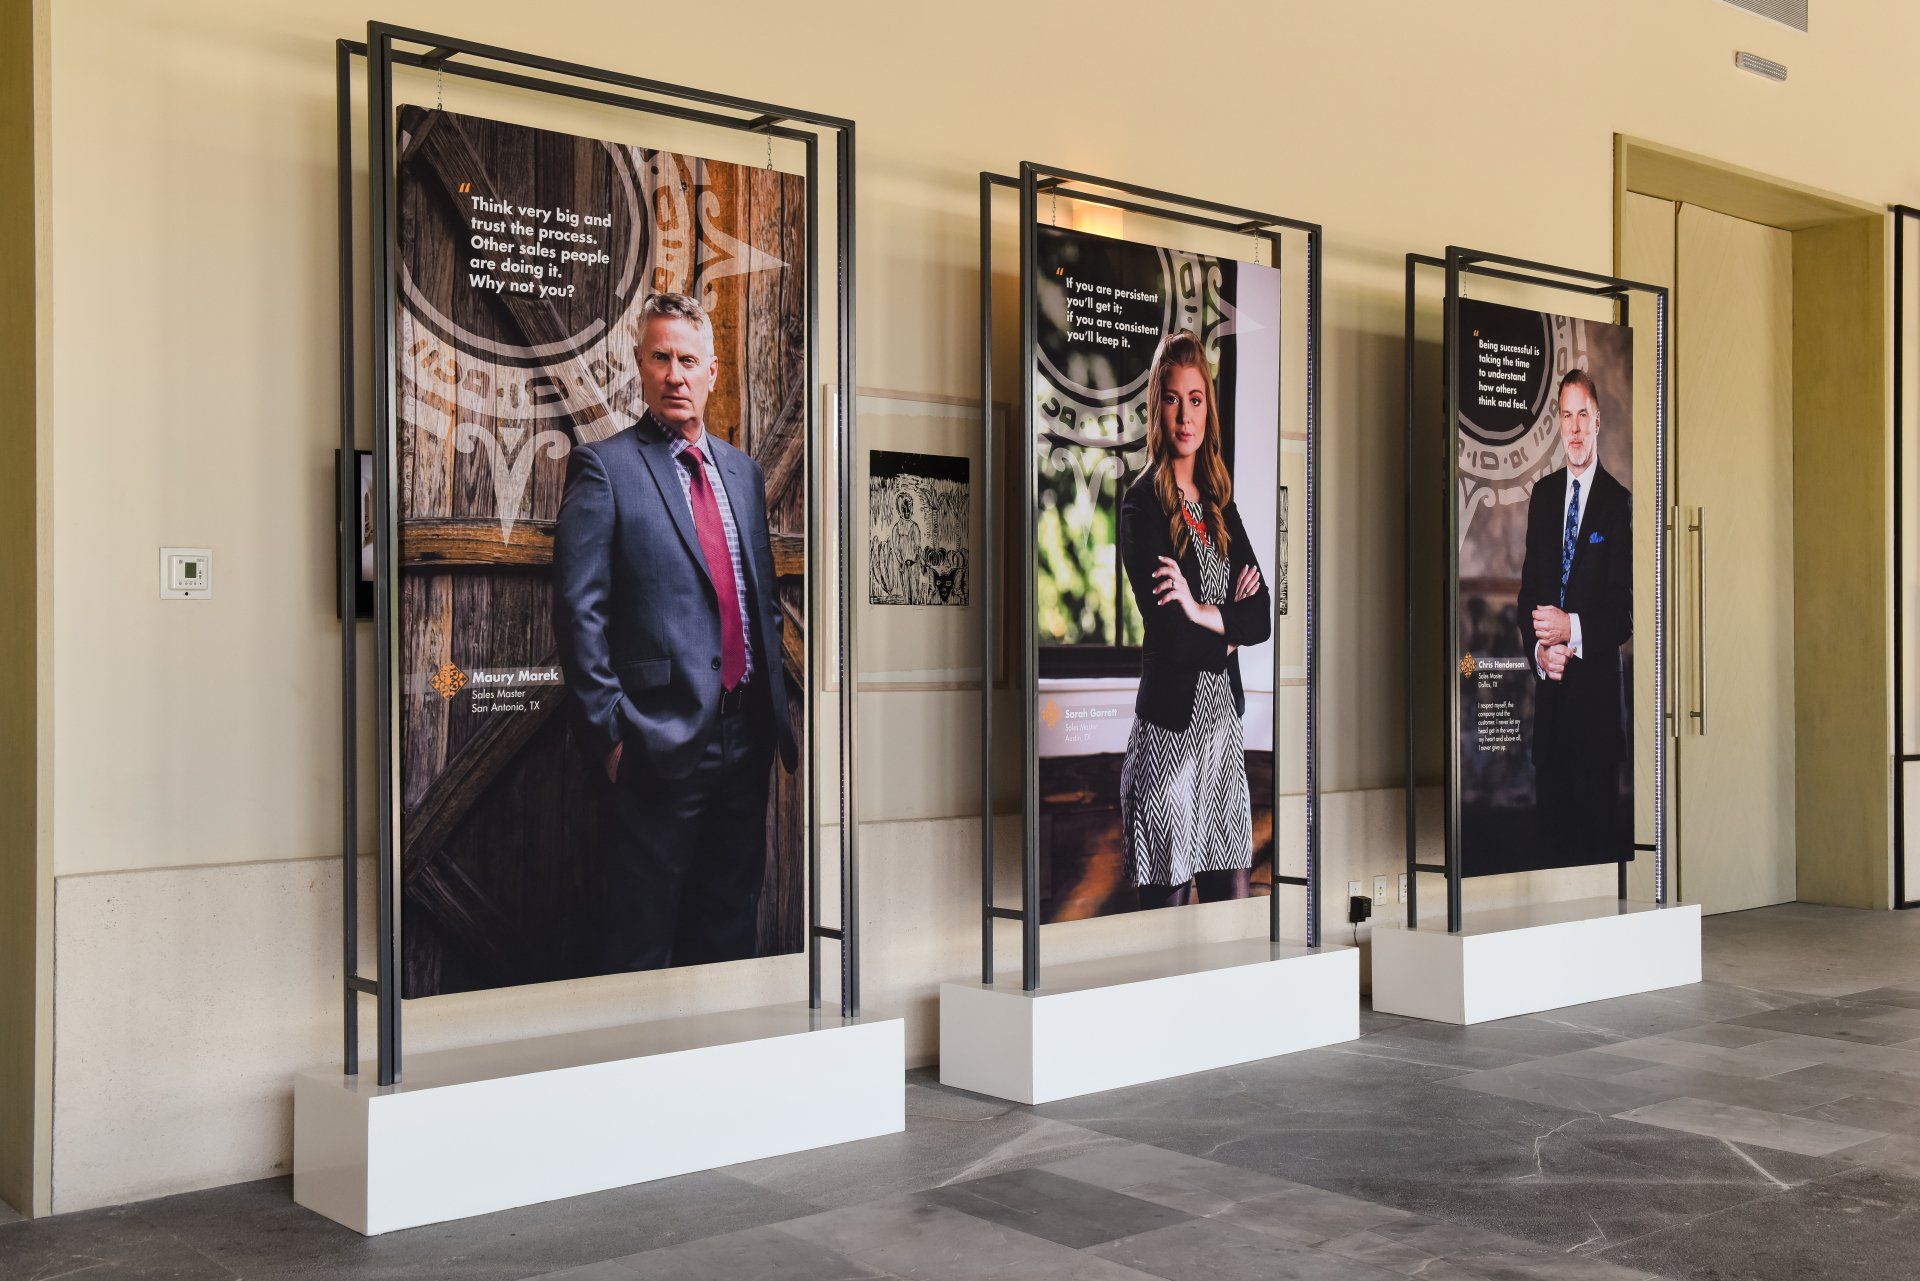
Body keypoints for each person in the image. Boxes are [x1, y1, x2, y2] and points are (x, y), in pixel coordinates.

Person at [552, 291, 798, 971]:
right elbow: (581, 613)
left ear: (712, 371)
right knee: (641, 936)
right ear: (640, 365)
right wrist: (609, 735)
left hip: (745, 741)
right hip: (655, 744)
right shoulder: (606, 468)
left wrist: (774, 712)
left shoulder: (743, 475)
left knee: (727, 928)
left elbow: (762, 599)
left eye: (688, 359)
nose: (674, 374)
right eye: (660, 357)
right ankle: (636, 1075)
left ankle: (717, 1068)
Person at [1116, 331, 1271, 911]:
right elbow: (1173, 638)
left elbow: (1261, 618)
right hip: (1170, 745)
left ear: (1209, 406)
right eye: (1174, 399)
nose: (1186, 415)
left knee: (1232, 930)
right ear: (1159, 406)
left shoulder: (1218, 501)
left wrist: (1206, 613)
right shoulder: (1142, 505)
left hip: (1222, 744)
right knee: (1166, 943)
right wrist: (1226, 634)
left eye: (1197, 398)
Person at [1517, 367, 1632, 864]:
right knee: (1549, 857)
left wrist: (1572, 630)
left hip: (1596, 722)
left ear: (1598, 420)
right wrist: (1543, 651)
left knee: (1596, 866)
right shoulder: (1542, 499)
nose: (1576, 427)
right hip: (1552, 719)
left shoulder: (1618, 503)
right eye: (1567, 416)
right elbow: (1526, 599)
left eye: (1583, 414)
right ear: (1559, 424)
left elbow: (1623, 614)